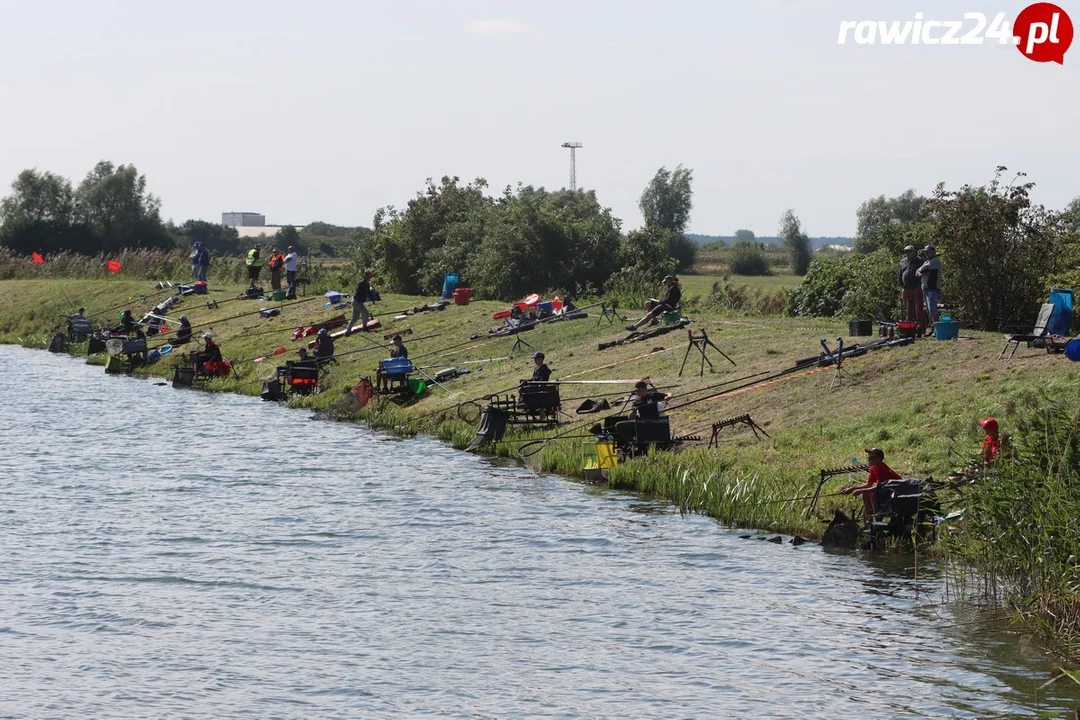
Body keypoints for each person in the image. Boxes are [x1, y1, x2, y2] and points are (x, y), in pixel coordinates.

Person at [840, 448, 902, 521]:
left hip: (897, 491)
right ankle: (869, 519)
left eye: (870, 458)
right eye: (868, 457)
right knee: (866, 493)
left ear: (878, 459)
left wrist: (860, 491)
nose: (868, 460)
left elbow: (878, 488)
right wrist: (852, 489)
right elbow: (869, 484)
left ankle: (877, 517)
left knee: (871, 493)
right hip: (886, 490)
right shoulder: (873, 468)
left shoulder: (881, 467)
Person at [614, 381, 673, 450]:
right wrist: (634, 411)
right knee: (618, 425)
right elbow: (630, 417)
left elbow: (668, 393)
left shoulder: (653, 395)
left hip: (655, 422)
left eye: (638, 390)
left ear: (644, 389)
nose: (637, 392)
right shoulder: (636, 401)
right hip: (641, 424)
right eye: (636, 391)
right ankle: (632, 441)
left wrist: (669, 396)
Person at [898, 245, 926, 334]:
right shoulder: (903, 262)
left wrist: (920, 285)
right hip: (906, 288)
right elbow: (899, 275)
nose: (907, 254)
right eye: (906, 252)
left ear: (914, 252)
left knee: (919, 309)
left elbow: (924, 272)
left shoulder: (920, 261)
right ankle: (910, 329)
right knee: (909, 310)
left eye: (909, 252)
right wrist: (902, 286)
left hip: (917, 287)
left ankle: (922, 329)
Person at [916, 244, 943, 324]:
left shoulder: (935, 261)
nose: (926, 253)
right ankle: (933, 328)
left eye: (928, 252)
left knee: (932, 309)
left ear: (933, 252)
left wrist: (922, 272)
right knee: (928, 310)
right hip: (926, 288)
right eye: (925, 252)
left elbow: (924, 268)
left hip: (932, 287)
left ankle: (936, 329)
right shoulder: (927, 261)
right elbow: (917, 272)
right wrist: (922, 273)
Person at [344, 269, 374, 336]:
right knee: (365, 313)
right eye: (369, 276)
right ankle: (364, 327)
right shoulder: (361, 283)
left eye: (370, 276)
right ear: (365, 276)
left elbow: (368, 293)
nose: (370, 278)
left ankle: (348, 331)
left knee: (355, 317)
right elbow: (357, 293)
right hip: (357, 301)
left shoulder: (367, 284)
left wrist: (372, 296)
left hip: (357, 301)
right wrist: (360, 302)